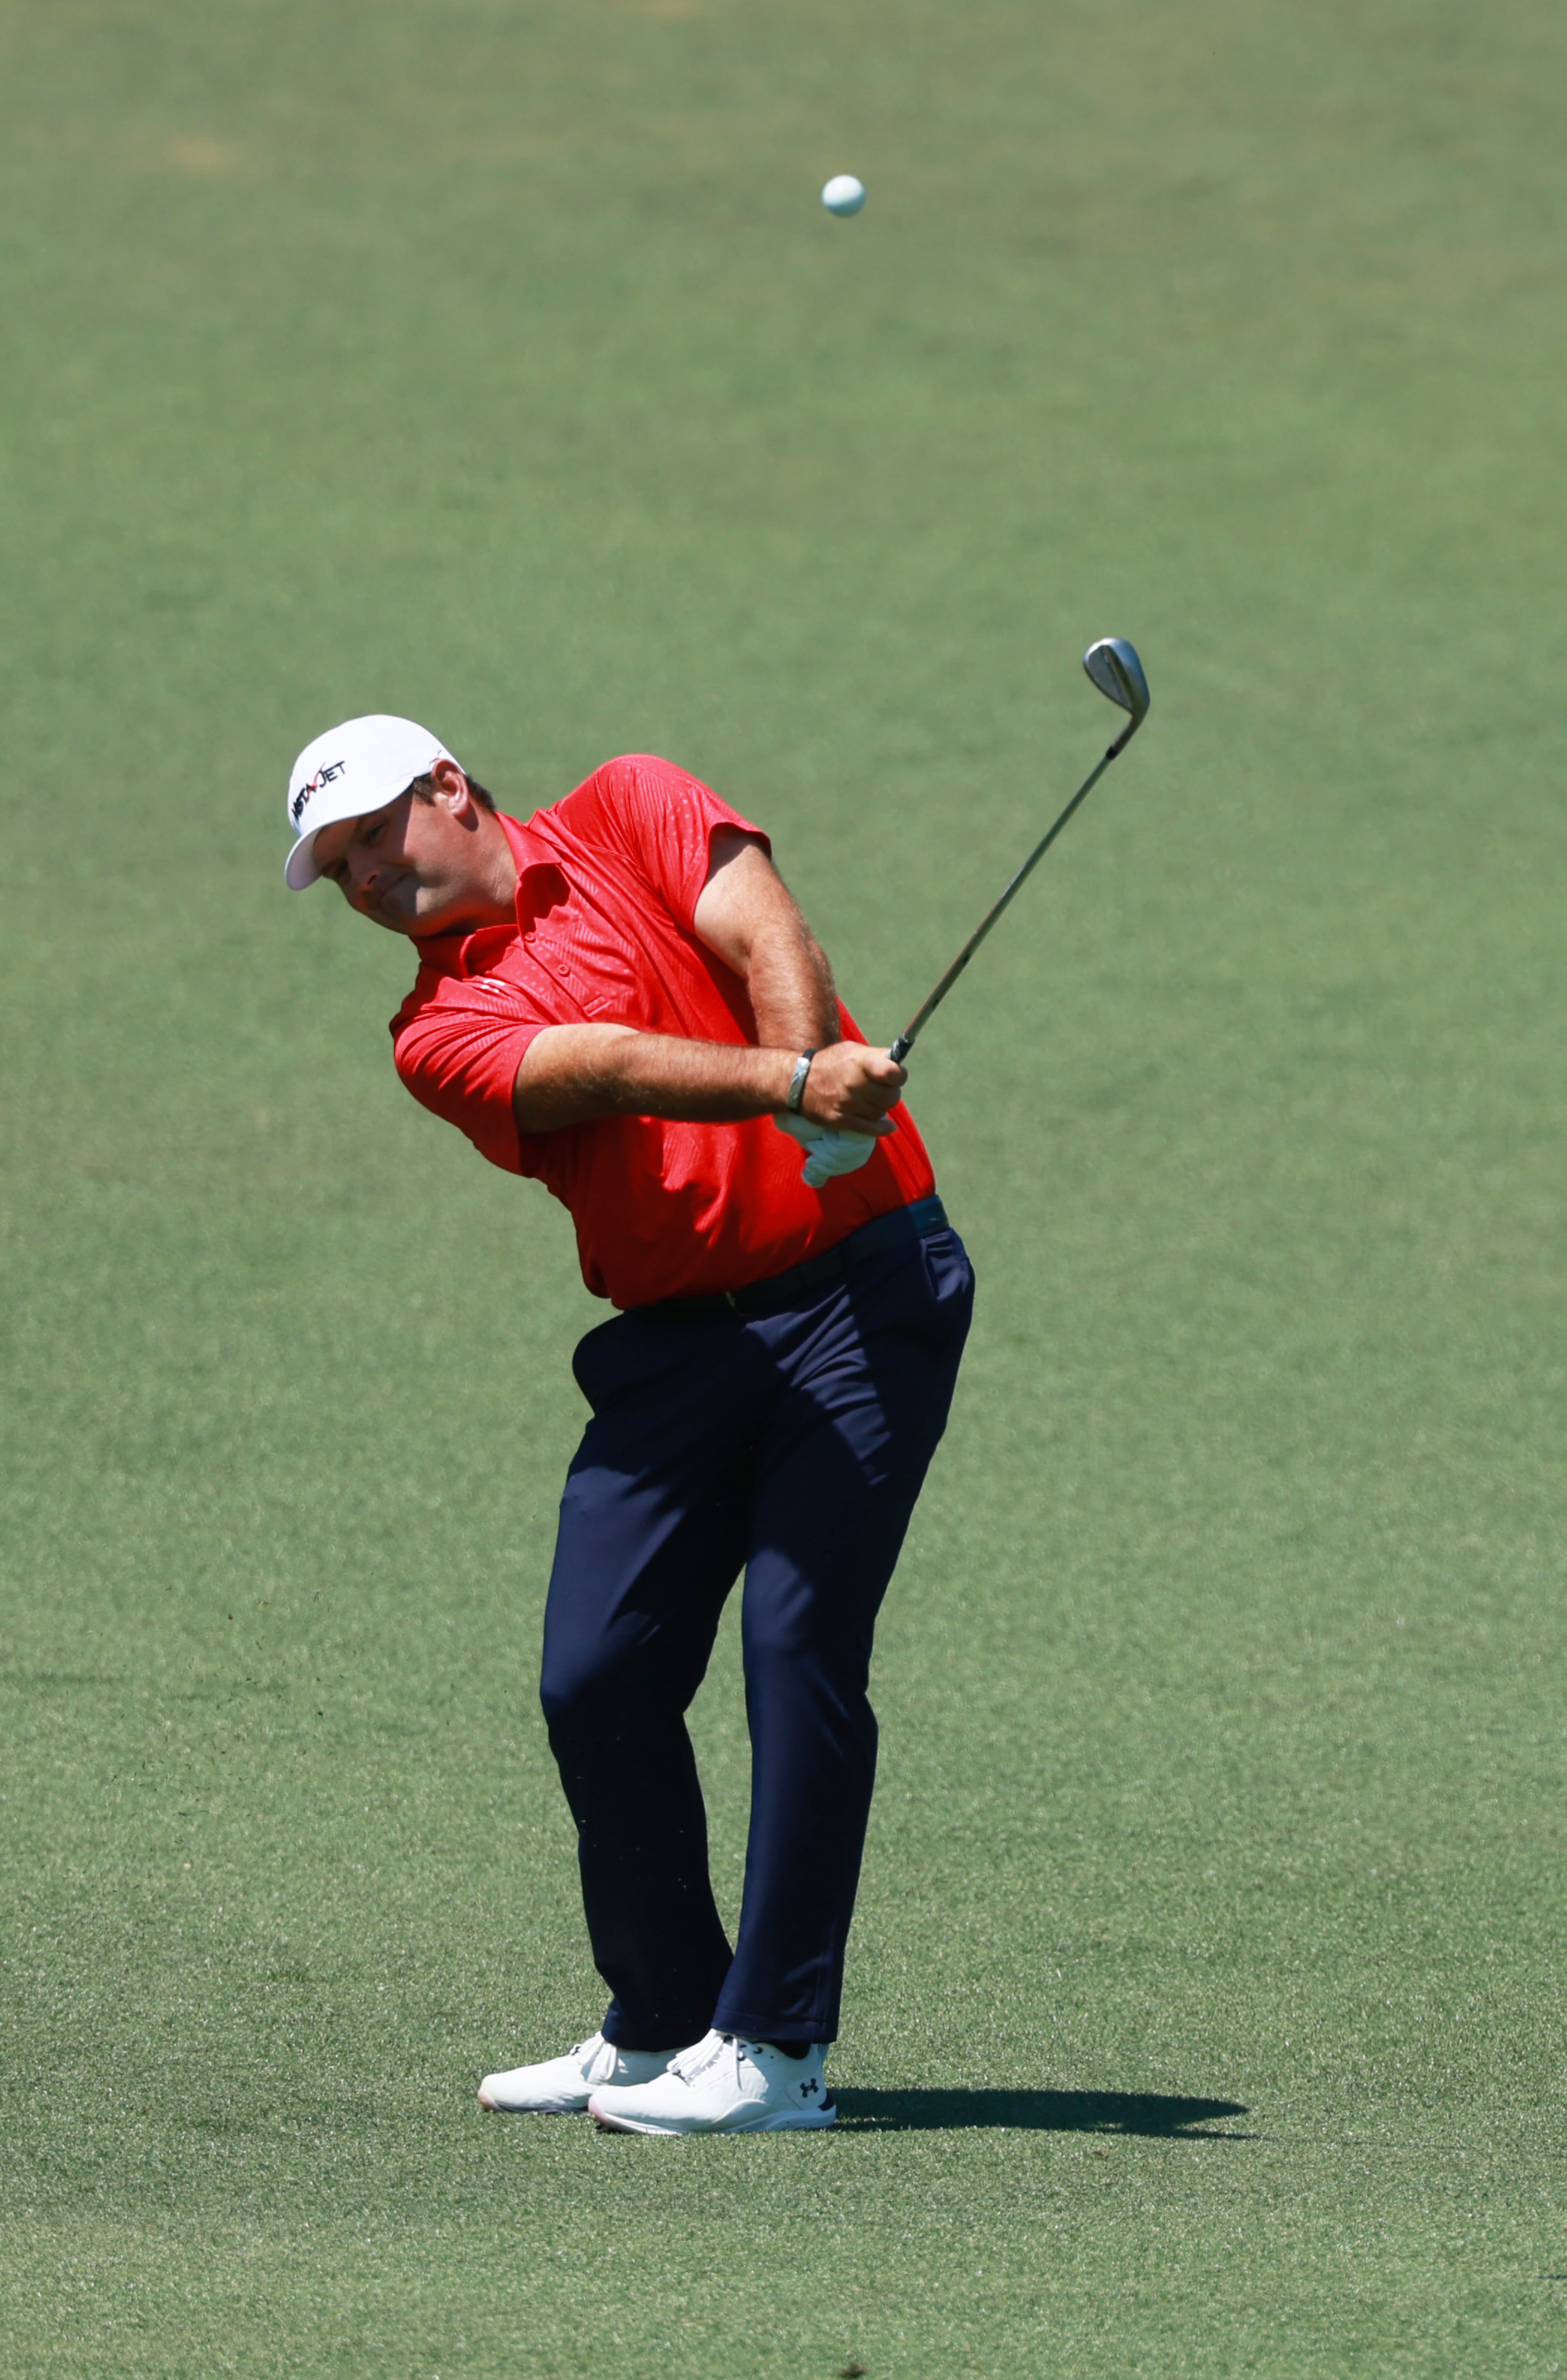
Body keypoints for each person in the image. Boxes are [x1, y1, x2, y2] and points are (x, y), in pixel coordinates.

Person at [283, 713, 974, 2135]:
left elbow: (765, 927)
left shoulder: (629, 804)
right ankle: (664, 2023)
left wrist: (813, 1078)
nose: (367, 880)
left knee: (796, 1648)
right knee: (596, 1676)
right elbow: (595, 1064)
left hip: (862, 1297)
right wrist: (796, 1086)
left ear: (450, 786)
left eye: (374, 837)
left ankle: (776, 2050)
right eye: (340, 870)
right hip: (673, 1350)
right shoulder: (435, 1033)